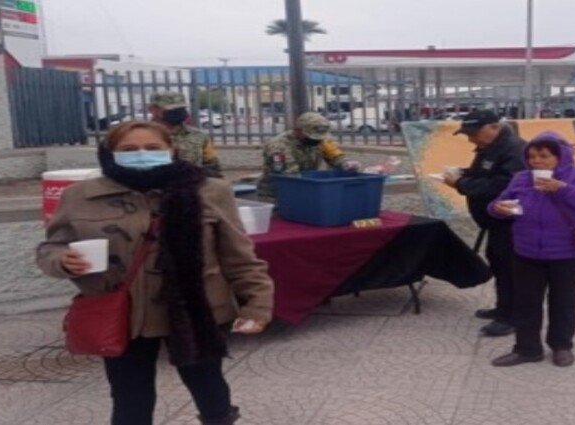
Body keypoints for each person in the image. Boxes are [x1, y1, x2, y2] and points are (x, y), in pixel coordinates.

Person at [37, 121, 274, 424]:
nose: (141, 154)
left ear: (171, 150)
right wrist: (62, 259)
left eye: (152, 148)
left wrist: (257, 305)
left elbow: (238, 256)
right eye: (129, 149)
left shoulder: (210, 191)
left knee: (209, 387)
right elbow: (51, 247)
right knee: (130, 397)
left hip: (195, 310)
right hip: (125, 315)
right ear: (110, 153)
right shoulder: (79, 195)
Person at [487, 131, 575, 367]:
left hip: (570, 254)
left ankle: (561, 346)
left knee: (564, 302)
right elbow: (496, 204)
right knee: (526, 302)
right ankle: (527, 349)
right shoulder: (521, 178)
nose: (537, 161)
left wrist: (563, 188)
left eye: (544, 156)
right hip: (526, 252)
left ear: (561, 156)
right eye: (532, 156)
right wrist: (498, 208)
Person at [444, 110, 526, 337]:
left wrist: (461, 183)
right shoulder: (491, 147)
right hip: (495, 221)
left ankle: (512, 316)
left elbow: (502, 186)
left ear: (494, 127)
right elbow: (484, 174)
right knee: (498, 264)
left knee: (510, 268)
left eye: (474, 134)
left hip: (511, 221)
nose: (471, 139)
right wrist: (463, 172)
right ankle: (503, 307)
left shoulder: (514, 150)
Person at [256, 112, 358, 201]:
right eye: (313, 136)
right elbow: (290, 175)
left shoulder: (320, 141)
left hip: (306, 189)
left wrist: (346, 164)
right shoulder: (279, 145)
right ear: (298, 130)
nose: (317, 140)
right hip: (277, 194)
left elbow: (334, 155)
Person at [149, 91, 223, 178]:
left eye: (181, 108)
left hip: (191, 185)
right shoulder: (140, 135)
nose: (178, 112)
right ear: (153, 109)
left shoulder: (199, 136)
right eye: (172, 108)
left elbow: (212, 167)